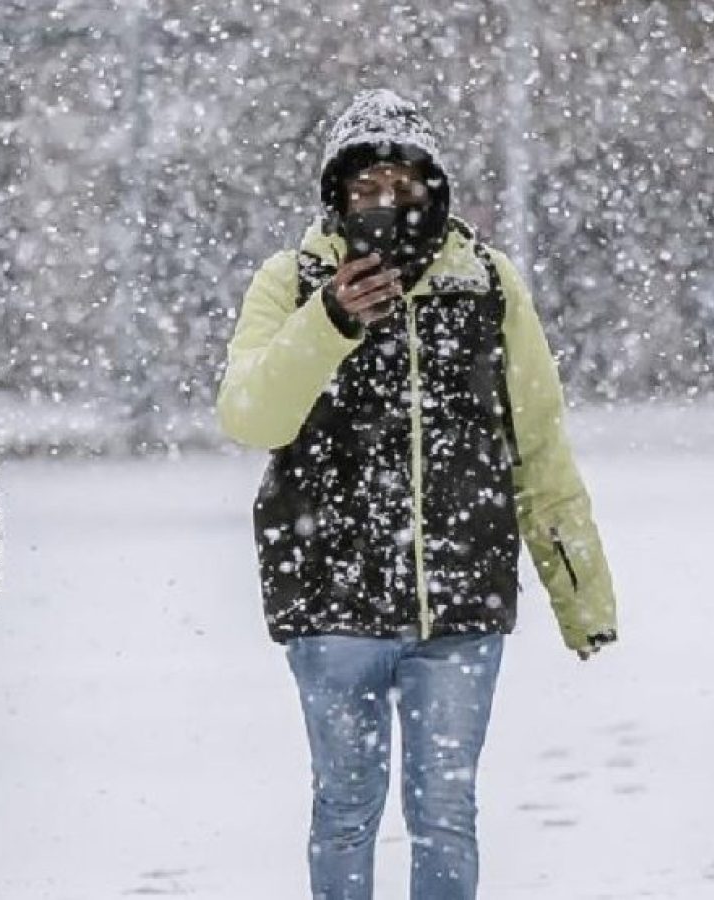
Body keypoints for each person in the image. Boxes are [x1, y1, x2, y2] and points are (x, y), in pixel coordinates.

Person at [217, 89, 618, 899]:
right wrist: (330, 317)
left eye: (402, 184)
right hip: (330, 598)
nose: (385, 203)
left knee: (446, 812)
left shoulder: (487, 285)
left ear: (434, 189)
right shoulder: (290, 282)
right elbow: (250, 415)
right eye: (365, 188)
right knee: (344, 811)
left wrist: (581, 595)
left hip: (460, 600)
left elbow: (537, 443)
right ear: (336, 195)